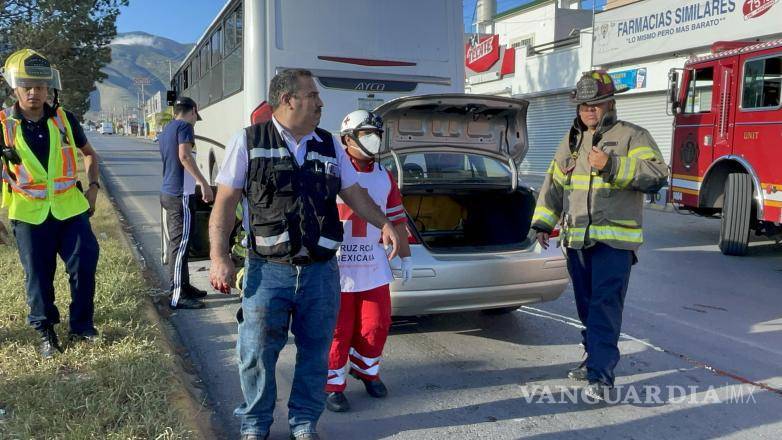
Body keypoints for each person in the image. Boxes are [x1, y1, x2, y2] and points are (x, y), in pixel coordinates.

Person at [208, 69, 400, 440]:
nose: (320, 103)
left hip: (320, 272)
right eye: (312, 95)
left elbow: (354, 193)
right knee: (257, 354)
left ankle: (304, 424)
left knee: (315, 355)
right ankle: (255, 425)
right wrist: (220, 256)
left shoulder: (329, 145)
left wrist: (385, 223)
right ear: (288, 100)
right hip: (268, 271)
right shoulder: (248, 142)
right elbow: (225, 203)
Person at [530, 70, 668, 401]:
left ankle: (601, 375)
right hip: (577, 241)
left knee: (605, 307)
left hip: (615, 244)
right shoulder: (572, 140)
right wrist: (541, 223)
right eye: (583, 105)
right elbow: (554, 184)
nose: (589, 111)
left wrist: (611, 165)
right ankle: (593, 357)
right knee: (586, 307)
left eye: (596, 104)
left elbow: (656, 175)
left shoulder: (633, 136)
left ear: (610, 103)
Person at [0, 49, 101, 358]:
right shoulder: (4, 124)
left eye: (41, 87)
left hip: (70, 208)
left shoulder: (64, 119)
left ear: (49, 89)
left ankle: (82, 326)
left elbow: (89, 154)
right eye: (28, 86)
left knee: (85, 263)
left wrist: (93, 188)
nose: (34, 93)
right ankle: (46, 332)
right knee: (38, 277)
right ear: (14, 88)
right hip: (28, 214)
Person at [324, 110, 412, 413]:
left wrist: (405, 257)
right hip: (337, 268)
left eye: (377, 133)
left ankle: (367, 371)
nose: (375, 140)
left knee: (376, 326)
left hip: (373, 267)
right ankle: (333, 384)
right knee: (338, 329)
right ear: (348, 138)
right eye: (367, 134)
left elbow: (397, 218)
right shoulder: (331, 170)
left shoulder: (384, 175)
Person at [159, 96, 214, 309]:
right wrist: (204, 183)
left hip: (170, 192)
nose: (194, 120)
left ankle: (184, 286)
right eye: (195, 117)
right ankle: (177, 294)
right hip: (180, 194)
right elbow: (185, 156)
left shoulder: (167, 129)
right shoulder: (184, 127)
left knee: (182, 243)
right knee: (180, 245)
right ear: (193, 111)